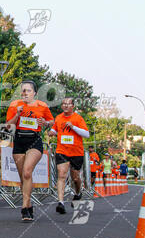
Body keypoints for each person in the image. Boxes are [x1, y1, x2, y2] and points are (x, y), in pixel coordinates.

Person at [6, 81, 54, 222]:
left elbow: (51, 121)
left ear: (34, 93)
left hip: (34, 140)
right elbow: (8, 126)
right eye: (23, 90)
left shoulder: (42, 106)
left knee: (27, 172)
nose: (25, 93)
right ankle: (29, 205)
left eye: (28, 90)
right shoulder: (15, 105)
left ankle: (24, 207)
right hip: (19, 140)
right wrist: (17, 114)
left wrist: (45, 123)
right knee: (23, 177)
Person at [49, 98, 90, 214]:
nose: (66, 106)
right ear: (62, 106)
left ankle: (77, 193)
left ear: (72, 106)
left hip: (76, 152)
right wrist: (52, 132)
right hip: (62, 151)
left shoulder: (78, 118)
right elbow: (55, 130)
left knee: (75, 178)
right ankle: (61, 203)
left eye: (68, 104)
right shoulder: (59, 118)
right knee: (62, 175)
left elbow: (86, 134)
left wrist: (73, 127)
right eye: (64, 104)